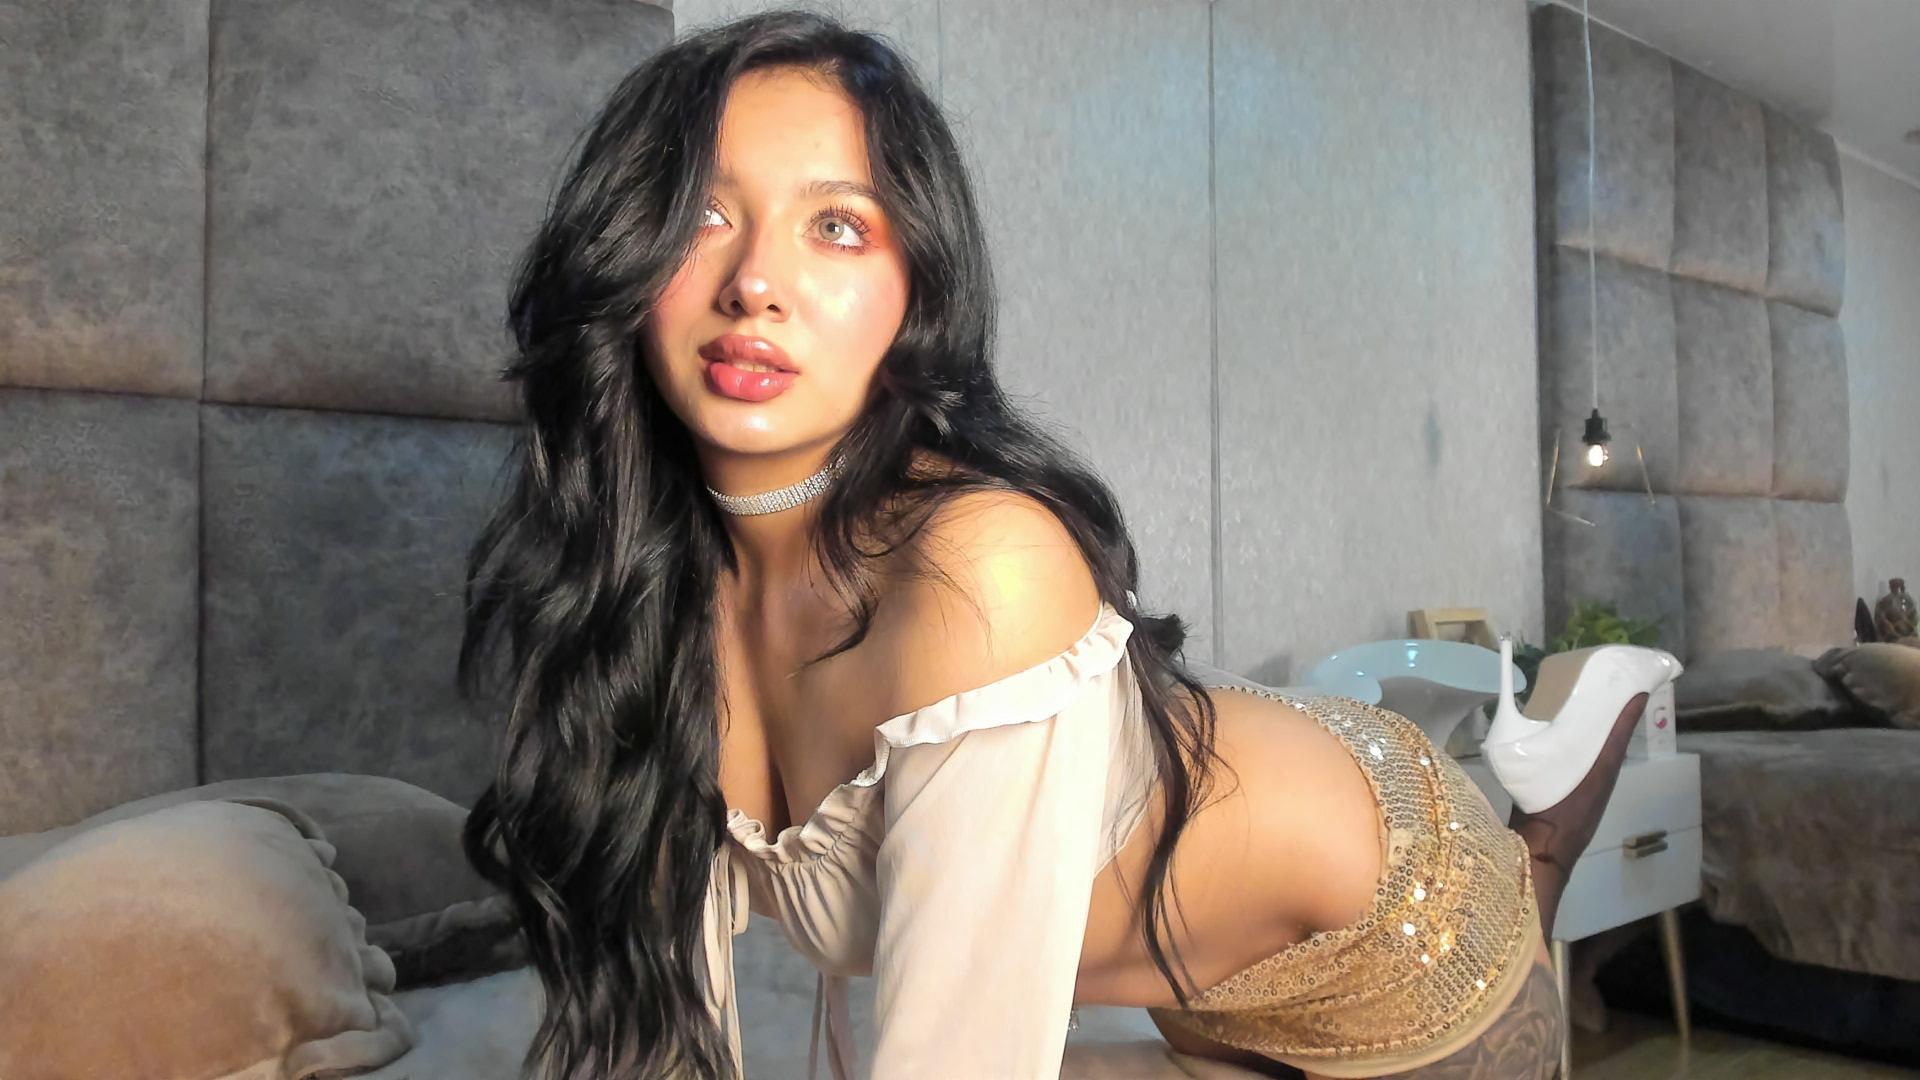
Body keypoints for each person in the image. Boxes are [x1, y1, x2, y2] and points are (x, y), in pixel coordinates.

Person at [453, 9, 1650, 1079]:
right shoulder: (641, 592)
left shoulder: (981, 566)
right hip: (1203, 988)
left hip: (1403, 937)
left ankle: (1545, 833)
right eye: (704, 214)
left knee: (1520, 908)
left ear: (917, 292)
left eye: (837, 226)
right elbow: (655, 1027)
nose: (755, 282)